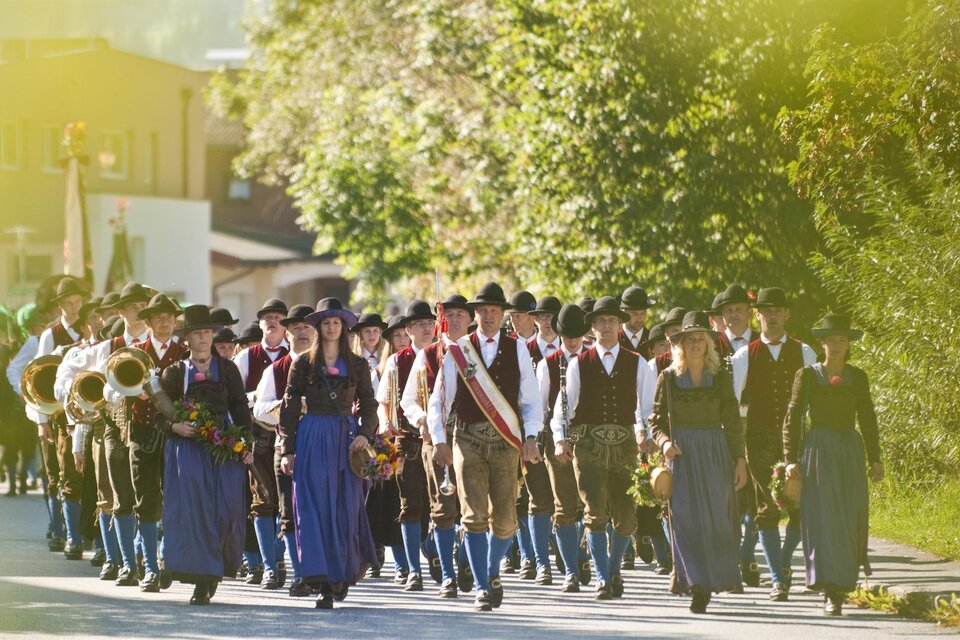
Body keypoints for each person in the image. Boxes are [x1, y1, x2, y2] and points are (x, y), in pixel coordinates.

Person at [428, 282, 543, 612]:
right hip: (468, 441)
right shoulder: (459, 350)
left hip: (506, 443)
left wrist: (531, 436)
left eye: (494, 310)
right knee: (474, 517)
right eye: (483, 311)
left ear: (503, 314)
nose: (489, 316)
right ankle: (481, 586)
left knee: (506, 521)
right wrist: (439, 439)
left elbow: (530, 400)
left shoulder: (517, 348)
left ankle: (491, 570)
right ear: (474, 314)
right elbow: (439, 401)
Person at [551, 296, 655, 600]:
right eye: (600, 321)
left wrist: (646, 435)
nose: (606, 326)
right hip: (589, 445)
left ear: (620, 325)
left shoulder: (638, 362)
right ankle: (601, 578)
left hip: (624, 445)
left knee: (627, 518)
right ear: (592, 327)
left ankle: (612, 569)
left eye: (611, 320)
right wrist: (560, 438)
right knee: (594, 513)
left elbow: (646, 408)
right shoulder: (577, 364)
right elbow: (563, 407)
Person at [278, 297, 379, 609]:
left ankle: (340, 575)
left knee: (345, 508)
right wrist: (288, 449)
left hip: (346, 439)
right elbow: (290, 406)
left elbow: (370, 404)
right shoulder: (303, 363)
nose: (332, 327)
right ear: (318, 327)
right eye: (326, 322)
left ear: (344, 327)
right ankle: (320, 579)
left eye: (337, 322)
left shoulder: (359, 364)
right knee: (312, 507)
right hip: (311, 436)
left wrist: (364, 433)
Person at [783, 314, 883, 616]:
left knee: (850, 513)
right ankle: (829, 589)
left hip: (849, 450)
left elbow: (867, 418)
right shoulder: (808, 375)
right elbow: (794, 416)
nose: (837, 345)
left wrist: (875, 458)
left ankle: (844, 581)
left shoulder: (858, 376)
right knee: (822, 517)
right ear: (822, 343)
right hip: (818, 449)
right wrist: (790, 459)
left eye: (842, 340)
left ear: (848, 344)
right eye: (831, 340)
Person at [649, 311, 748, 613]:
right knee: (686, 519)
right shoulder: (667, 378)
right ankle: (696, 585)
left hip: (715, 450)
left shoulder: (720, 376)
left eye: (700, 340)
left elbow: (732, 420)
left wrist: (740, 459)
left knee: (718, 516)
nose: (695, 344)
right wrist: (665, 443)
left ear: (708, 344)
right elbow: (655, 420)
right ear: (680, 345)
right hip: (682, 453)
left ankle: (720, 576)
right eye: (690, 340)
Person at [156, 305, 254, 605]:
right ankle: (201, 579)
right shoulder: (175, 372)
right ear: (187, 339)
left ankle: (215, 569)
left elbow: (239, 408)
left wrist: (246, 443)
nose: (203, 338)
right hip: (186, 448)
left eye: (207, 333)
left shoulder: (227, 369)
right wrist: (175, 426)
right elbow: (160, 414)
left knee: (225, 511)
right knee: (191, 512)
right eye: (197, 333)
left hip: (224, 446)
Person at [731, 287, 817, 601]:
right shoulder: (743, 356)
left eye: (778, 310)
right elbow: (735, 406)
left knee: (800, 508)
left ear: (787, 314)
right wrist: (737, 450)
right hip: (758, 438)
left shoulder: (805, 352)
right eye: (767, 311)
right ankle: (778, 580)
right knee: (766, 509)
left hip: (797, 440)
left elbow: (813, 403)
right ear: (759, 315)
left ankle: (780, 562)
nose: (773, 316)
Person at [400, 294, 474, 598]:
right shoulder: (429, 354)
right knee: (442, 507)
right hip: (437, 437)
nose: (454, 320)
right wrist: (421, 421)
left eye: (460, 315)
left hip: (473, 439)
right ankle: (447, 575)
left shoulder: (479, 352)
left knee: (474, 506)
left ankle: (466, 559)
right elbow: (408, 400)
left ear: (470, 319)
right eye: (450, 315)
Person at [252, 304, 316, 597]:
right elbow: (260, 409)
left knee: (319, 509)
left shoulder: (328, 365)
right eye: (296, 328)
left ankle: (319, 568)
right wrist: (289, 408)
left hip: (321, 446)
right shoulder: (274, 369)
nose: (301, 333)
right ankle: (299, 574)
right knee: (288, 511)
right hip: (286, 446)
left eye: (306, 327)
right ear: (287, 334)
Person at [376, 300, 436, 592]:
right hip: (407, 441)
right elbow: (383, 402)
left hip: (442, 441)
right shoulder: (396, 361)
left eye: (430, 323)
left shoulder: (446, 354)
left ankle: (437, 554)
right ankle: (413, 569)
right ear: (409, 330)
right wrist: (384, 422)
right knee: (409, 505)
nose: (427, 328)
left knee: (442, 504)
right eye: (420, 325)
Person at [233, 298, 289, 589]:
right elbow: (233, 396)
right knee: (260, 500)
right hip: (257, 435)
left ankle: (279, 558)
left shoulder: (294, 355)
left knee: (286, 501)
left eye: (278, 317)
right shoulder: (246, 357)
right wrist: (255, 398)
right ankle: (264, 564)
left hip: (288, 435)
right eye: (267, 317)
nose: (272, 321)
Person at [536, 303, 592, 592]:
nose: (573, 340)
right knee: (564, 505)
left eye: (578, 334)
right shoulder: (547, 364)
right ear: (558, 334)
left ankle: (581, 553)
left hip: (590, 439)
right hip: (557, 439)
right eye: (568, 335)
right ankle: (570, 569)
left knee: (592, 504)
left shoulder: (592, 359)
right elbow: (540, 405)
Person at [618, 286, 656, 356]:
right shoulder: (614, 338)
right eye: (634, 313)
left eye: (642, 313)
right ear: (624, 313)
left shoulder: (653, 339)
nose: (639, 318)